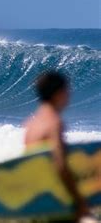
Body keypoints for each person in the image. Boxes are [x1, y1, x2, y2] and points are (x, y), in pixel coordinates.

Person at [24, 71, 90, 221]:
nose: (69, 94)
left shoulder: (31, 124)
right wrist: (78, 200)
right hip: (54, 199)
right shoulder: (54, 123)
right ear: (58, 93)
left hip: (35, 198)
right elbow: (60, 166)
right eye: (67, 90)